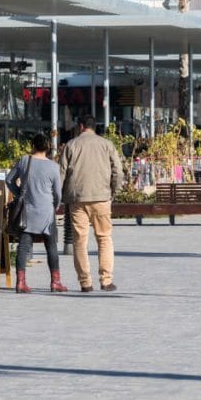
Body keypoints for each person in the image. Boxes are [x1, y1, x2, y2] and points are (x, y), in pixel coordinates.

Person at [59, 115, 123, 292]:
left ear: (80, 126)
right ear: (95, 127)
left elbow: (61, 174)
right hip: (101, 198)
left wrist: (59, 197)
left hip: (77, 199)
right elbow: (118, 171)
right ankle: (106, 280)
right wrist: (113, 192)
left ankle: (85, 282)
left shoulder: (71, 145)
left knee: (80, 241)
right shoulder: (106, 145)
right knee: (104, 238)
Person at [5, 133, 66, 294]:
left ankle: (21, 282)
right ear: (47, 148)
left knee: (23, 246)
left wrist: (19, 194)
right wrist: (55, 206)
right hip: (47, 213)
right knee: (51, 247)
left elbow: (9, 180)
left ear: (33, 146)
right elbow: (58, 193)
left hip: (28, 212)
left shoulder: (25, 161)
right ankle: (55, 282)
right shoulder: (53, 167)